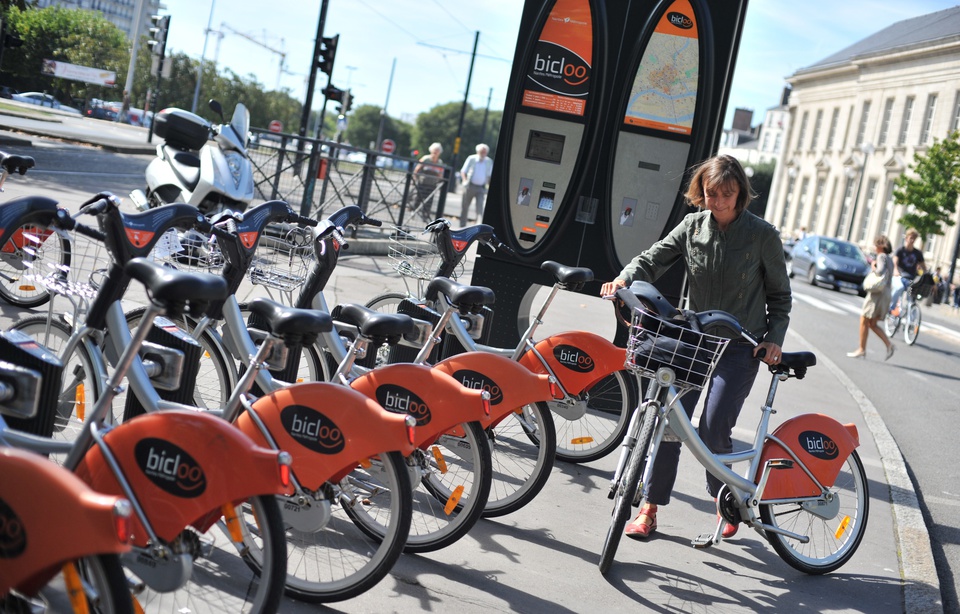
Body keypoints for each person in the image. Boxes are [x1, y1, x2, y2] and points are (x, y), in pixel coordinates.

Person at [599, 154, 791, 541]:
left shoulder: (761, 235)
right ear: (700, 193)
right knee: (670, 422)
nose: (719, 202)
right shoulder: (692, 227)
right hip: (696, 338)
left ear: (740, 194)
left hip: (740, 346)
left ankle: (727, 498)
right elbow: (651, 260)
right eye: (711, 194)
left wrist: (774, 339)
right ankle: (649, 509)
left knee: (714, 426)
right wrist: (623, 279)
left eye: (727, 194)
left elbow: (780, 296)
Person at [846, 236, 895, 360]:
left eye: (876, 245)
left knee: (864, 320)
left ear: (881, 246)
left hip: (878, 293)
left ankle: (861, 349)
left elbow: (880, 271)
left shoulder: (881, 256)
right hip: (886, 292)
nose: (874, 247)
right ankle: (889, 345)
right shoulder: (889, 258)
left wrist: (873, 266)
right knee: (872, 324)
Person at [889, 229, 925, 314]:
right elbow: (895, 262)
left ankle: (912, 320)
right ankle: (891, 307)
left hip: (910, 280)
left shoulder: (917, 253)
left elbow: (924, 267)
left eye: (914, 239)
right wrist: (895, 270)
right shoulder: (900, 250)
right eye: (911, 238)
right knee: (899, 288)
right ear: (906, 238)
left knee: (911, 297)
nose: (912, 240)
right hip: (899, 277)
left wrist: (926, 276)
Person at [459, 143, 493, 226]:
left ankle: (478, 225)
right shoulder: (472, 158)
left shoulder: (489, 161)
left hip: (481, 187)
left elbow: (489, 175)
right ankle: (462, 224)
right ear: (478, 151)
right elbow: (463, 171)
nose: (483, 153)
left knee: (480, 207)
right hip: (470, 185)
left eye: (484, 152)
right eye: (481, 152)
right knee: (465, 206)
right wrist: (464, 180)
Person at [414, 143, 445, 220]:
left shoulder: (440, 162)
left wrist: (440, 181)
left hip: (432, 184)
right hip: (422, 182)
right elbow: (417, 169)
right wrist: (415, 179)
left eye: (437, 151)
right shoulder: (426, 159)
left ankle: (425, 215)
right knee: (418, 198)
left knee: (429, 201)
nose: (435, 152)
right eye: (434, 150)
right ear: (431, 150)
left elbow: (441, 174)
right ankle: (413, 211)